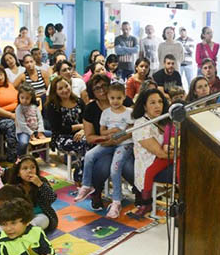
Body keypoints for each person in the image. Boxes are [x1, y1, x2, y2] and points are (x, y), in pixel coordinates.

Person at [74, 83, 133, 218]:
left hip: (124, 144)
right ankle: (87, 185)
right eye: (112, 98)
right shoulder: (105, 113)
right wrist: (110, 133)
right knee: (89, 155)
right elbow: (102, 131)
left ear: (124, 97)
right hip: (110, 142)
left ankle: (116, 201)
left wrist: (122, 134)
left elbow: (132, 129)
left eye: (119, 98)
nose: (115, 101)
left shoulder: (128, 112)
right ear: (108, 97)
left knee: (115, 168)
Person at [131, 89, 174, 216]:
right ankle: (146, 204)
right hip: (150, 164)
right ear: (144, 106)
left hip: (166, 159)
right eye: (152, 103)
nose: (158, 106)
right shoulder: (141, 124)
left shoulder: (163, 119)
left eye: (160, 102)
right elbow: (161, 154)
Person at [0, 157, 58, 232]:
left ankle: (21, 231)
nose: (29, 171)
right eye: (25, 168)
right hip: (19, 217)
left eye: (32, 167)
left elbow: (52, 198)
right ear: (18, 173)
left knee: (44, 221)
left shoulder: (42, 181)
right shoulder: (14, 186)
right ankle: (22, 230)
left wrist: (40, 184)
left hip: (38, 215)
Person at [45, 76, 87, 157]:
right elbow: (58, 129)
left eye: (66, 86)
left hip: (81, 133)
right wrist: (80, 126)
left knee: (93, 141)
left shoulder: (79, 101)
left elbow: (87, 120)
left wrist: (83, 130)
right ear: (55, 91)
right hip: (61, 137)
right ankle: (81, 168)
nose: (65, 90)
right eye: (60, 88)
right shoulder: (52, 106)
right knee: (84, 144)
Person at [15, 84, 49, 156]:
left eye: (27, 98)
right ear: (19, 97)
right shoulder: (19, 108)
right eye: (22, 97)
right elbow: (22, 125)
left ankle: (41, 153)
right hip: (24, 132)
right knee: (23, 143)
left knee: (51, 134)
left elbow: (40, 119)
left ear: (31, 98)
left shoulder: (35, 107)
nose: (24, 100)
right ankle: (20, 157)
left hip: (36, 130)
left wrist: (40, 131)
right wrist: (31, 134)